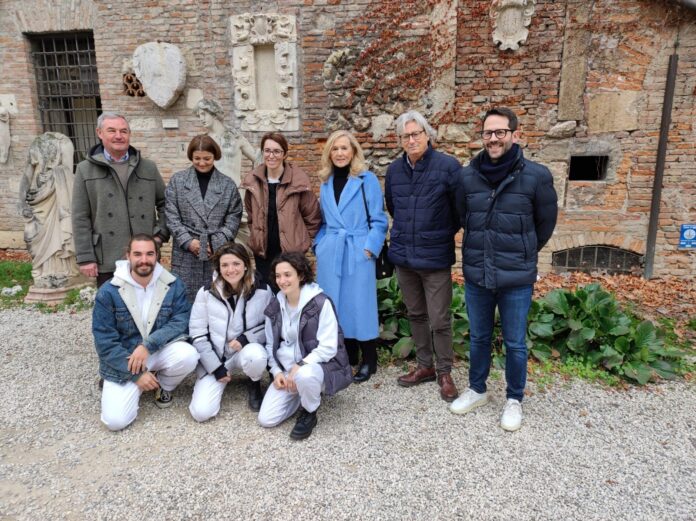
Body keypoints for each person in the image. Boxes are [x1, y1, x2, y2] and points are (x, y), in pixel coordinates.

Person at [451, 107, 558, 432]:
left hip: (516, 277)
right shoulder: (467, 176)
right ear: (482, 137)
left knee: (515, 342)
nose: (493, 138)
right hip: (478, 274)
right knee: (479, 337)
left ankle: (514, 399)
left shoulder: (537, 176)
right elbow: (461, 216)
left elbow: (545, 223)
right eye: (488, 133)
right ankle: (477, 389)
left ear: (514, 134)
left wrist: (524, 252)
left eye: (500, 132)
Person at [385, 110, 462, 402]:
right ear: (400, 140)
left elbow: (458, 212)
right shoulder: (394, 170)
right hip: (404, 257)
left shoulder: (448, 167)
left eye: (416, 133)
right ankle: (425, 366)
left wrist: (437, 233)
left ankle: (444, 372)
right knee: (416, 314)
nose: (412, 139)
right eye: (406, 136)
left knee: (440, 318)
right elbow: (394, 207)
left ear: (427, 135)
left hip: (434, 257)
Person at [92, 234, 199, 431]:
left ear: (157, 256)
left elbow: (181, 321)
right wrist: (136, 376)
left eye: (150, 254)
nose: (144, 260)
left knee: (189, 355)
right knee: (115, 422)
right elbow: (105, 342)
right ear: (128, 256)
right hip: (126, 359)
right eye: (138, 254)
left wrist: (148, 345)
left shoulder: (173, 284)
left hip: (155, 350)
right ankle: (142, 382)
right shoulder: (109, 291)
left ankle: (163, 386)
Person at [315, 130, 388, 383]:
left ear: (354, 151)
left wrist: (370, 247)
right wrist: (319, 244)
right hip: (331, 249)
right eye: (335, 149)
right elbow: (323, 221)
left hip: (358, 248)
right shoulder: (325, 182)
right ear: (329, 153)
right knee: (335, 304)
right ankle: (347, 356)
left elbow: (379, 219)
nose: (340, 153)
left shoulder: (366, 180)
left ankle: (370, 359)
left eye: (345, 148)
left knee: (361, 304)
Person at [258, 252, 352, 440]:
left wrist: (300, 366)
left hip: (318, 367)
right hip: (287, 370)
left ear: (300, 275)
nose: (282, 280)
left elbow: (328, 348)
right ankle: (303, 392)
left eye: (287, 274)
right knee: (266, 419)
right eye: (278, 276)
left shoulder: (320, 302)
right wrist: (276, 372)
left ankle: (310, 411)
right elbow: (270, 344)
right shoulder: (275, 304)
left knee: (305, 375)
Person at [72, 112, 169, 287]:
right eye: (112, 131)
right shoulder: (84, 170)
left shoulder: (148, 167)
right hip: (107, 256)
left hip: (145, 255)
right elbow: (80, 216)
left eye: (124, 131)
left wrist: (159, 235)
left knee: (150, 308)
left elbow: (165, 204)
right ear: (99, 133)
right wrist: (85, 257)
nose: (119, 136)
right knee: (112, 309)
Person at [188, 242, 273, 421]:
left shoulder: (263, 291)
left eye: (236, 264)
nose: (231, 270)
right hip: (217, 357)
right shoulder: (205, 293)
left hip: (245, 351)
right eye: (224, 265)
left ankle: (254, 382)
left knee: (256, 356)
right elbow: (198, 334)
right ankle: (218, 373)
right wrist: (215, 367)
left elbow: (271, 326)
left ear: (246, 265)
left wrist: (246, 338)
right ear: (218, 268)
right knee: (201, 413)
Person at [165, 135, 243, 302]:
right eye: (197, 158)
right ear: (191, 157)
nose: (202, 163)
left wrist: (215, 243)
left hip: (218, 252)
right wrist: (188, 241)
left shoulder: (227, 184)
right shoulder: (178, 181)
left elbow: (234, 217)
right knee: (184, 301)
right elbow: (171, 215)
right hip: (185, 253)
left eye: (207, 158)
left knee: (218, 299)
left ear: (215, 156)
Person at [241, 132, 321, 287]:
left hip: (291, 253)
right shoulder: (253, 181)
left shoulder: (298, 181)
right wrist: (257, 237)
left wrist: (302, 243)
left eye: (277, 151)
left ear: (284, 154)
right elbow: (251, 217)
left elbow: (313, 217)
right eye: (267, 151)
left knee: (290, 294)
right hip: (263, 253)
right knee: (265, 294)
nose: (272, 156)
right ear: (263, 152)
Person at [19, 132, 81, 287]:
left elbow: (68, 170)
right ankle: (43, 271)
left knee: (61, 233)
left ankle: (66, 271)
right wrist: (21, 200)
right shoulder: (36, 144)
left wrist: (54, 174)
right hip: (39, 198)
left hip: (58, 196)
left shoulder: (65, 143)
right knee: (36, 237)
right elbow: (27, 173)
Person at [194, 98, 258, 243]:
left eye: (203, 114)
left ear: (214, 113)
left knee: (240, 240)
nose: (201, 118)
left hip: (235, 193)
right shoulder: (204, 141)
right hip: (211, 197)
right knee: (217, 241)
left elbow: (257, 159)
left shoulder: (235, 136)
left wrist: (251, 185)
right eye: (199, 115)